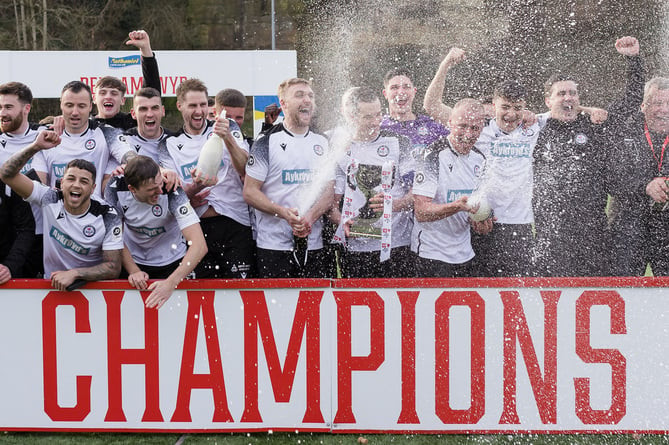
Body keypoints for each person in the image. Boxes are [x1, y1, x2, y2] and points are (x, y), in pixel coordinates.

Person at [533, 36, 643, 277]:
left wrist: (634, 59)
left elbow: (632, 100)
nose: (568, 98)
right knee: (551, 305)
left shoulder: (594, 126)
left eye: (573, 93)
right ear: (547, 101)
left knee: (593, 301)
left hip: (592, 238)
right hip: (550, 238)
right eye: (561, 93)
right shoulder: (535, 131)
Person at [0, 131, 123, 290]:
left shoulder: (108, 215)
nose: (76, 185)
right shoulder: (49, 197)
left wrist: (75, 273)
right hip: (51, 286)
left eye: (84, 181)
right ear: (62, 183)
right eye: (71, 179)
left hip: (94, 291)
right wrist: (36, 147)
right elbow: (6, 174)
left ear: (93, 189)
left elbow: (113, 267)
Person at [158, 78, 252, 278]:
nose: (199, 111)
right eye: (192, 105)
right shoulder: (169, 144)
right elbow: (173, 195)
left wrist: (227, 138)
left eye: (202, 104)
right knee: (201, 295)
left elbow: (246, 169)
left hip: (235, 225)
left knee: (239, 294)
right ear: (180, 105)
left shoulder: (228, 127)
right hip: (196, 228)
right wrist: (195, 188)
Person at [243, 77, 334, 278]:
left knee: (312, 307)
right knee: (276, 307)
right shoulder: (265, 142)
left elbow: (329, 193)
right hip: (273, 246)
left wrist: (310, 217)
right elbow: (249, 192)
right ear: (283, 103)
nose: (307, 100)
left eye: (310, 95)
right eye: (299, 95)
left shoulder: (323, 142)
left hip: (313, 245)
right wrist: (283, 212)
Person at [330, 87, 415, 277]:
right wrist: (342, 221)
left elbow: (416, 193)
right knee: (357, 304)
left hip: (396, 243)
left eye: (378, 114)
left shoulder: (399, 142)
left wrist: (395, 204)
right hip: (356, 247)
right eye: (368, 117)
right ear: (351, 116)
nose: (376, 122)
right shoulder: (338, 147)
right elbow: (332, 205)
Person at [105, 156, 207, 308]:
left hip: (173, 261)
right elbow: (114, 236)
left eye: (160, 185)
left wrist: (171, 283)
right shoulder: (114, 188)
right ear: (132, 188)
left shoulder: (170, 189)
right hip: (134, 261)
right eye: (152, 190)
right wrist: (133, 271)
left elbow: (199, 246)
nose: (159, 191)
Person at [413, 99, 493, 277]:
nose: (468, 134)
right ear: (450, 123)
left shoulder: (480, 159)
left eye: (475, 128)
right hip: (432, 253)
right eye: (462, 126)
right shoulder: (432, 155)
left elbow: (475, 209)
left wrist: (481, 223)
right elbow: (421, 211)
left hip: (465, 253)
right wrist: (456, 206)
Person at [471, 80, 542, 277]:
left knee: (519, 290)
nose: (511, 114)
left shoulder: (533, 128)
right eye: (505, 107)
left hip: (520, 224)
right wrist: (446, 64)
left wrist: (588, 109)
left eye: (518, 108)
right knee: (483, 288)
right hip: (485, 222)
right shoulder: (477, 131)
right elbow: (433, 107)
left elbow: (562, 108)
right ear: (494, 106)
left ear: (525, 107)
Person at [609, 76, 669, 275]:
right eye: (657, 103)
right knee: (625, 289)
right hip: (628, 225)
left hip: (666, 227)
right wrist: (645, 186)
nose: (664, 110)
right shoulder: (624, 131)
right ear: (643, 105)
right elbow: (611, 178)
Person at [31, 81, 133, 197]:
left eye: (81, 106)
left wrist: (132, 165)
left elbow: (130, 156)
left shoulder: (107, 132)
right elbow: (38, 188)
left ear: (90, 106)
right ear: (61, 105)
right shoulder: (45, 137)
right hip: (56, 213)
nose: (75, 112)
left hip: (95, 212)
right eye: (69, 105)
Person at [0, 81, 44, 278]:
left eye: (8, 107)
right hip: (12, 237)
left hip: (46, 234)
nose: (2, 112)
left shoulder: (46, 136)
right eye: (0, 107)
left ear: (26, 108)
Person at [92, 30, 161, 130]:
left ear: (122, 100)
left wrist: (145, 49)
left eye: (114, 93)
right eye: (102, 93)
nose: (108, 97)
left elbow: (151, 92)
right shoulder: (86, 125)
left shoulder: (131, 122)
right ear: (94, 98)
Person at [118, 87, 172, 162]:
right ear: (133, 114)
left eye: (154, 108)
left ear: (163, 111)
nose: (149, 114)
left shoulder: (176, 141)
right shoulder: (123, 142)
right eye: (143, 109)